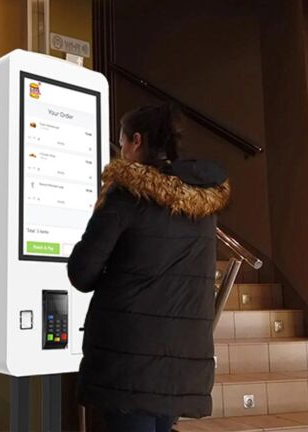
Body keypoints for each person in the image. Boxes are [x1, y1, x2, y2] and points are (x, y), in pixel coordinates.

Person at [67, 104, 230, 432]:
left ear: (136, 141)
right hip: (181, 361)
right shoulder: (203, 205)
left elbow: (82, 272)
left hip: (129, 361)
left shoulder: (127, 195)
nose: (122, 150)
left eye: (123, 142)